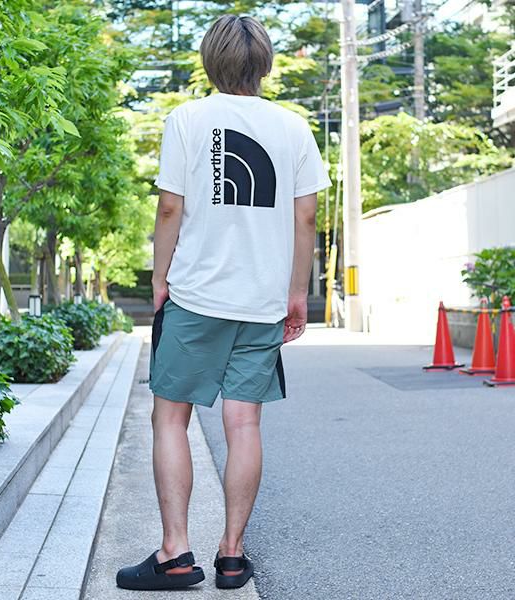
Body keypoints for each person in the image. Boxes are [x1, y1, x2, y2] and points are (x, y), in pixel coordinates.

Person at [116, 13, 331, 591]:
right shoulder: (293, 127)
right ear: (265, 64)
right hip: (261, 301)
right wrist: (296, 294)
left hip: (196, 294)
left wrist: (159, 277)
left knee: (170, 416)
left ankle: (174, 553)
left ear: (210, 61)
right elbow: (306, 217)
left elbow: (170, 207)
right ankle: (232, 557)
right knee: (244, 422)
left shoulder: (187, 119)